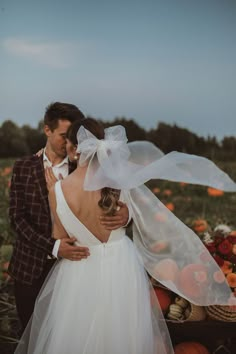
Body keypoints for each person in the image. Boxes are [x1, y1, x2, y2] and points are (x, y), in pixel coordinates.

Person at [15, 118, 236, 354]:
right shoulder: (120, 184)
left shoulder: (57, 190)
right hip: (121, 266)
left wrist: (53, 194)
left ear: (73, 148)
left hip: (79, 268)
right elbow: (136, 216)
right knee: (125, 331)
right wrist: (128, 214)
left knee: (77, 333)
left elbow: (61, 236)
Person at [8, 103, 129, 332]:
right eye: (63, 136)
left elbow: (112, 203)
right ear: (47, 130)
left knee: (72, 333)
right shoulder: (24, 167)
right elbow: (17, 218)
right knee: (31, 333)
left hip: (77, 273)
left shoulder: (87, 169)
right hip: (30, 267)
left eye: (74, 138)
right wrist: (54, 247)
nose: (69, 143)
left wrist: (126, 215)